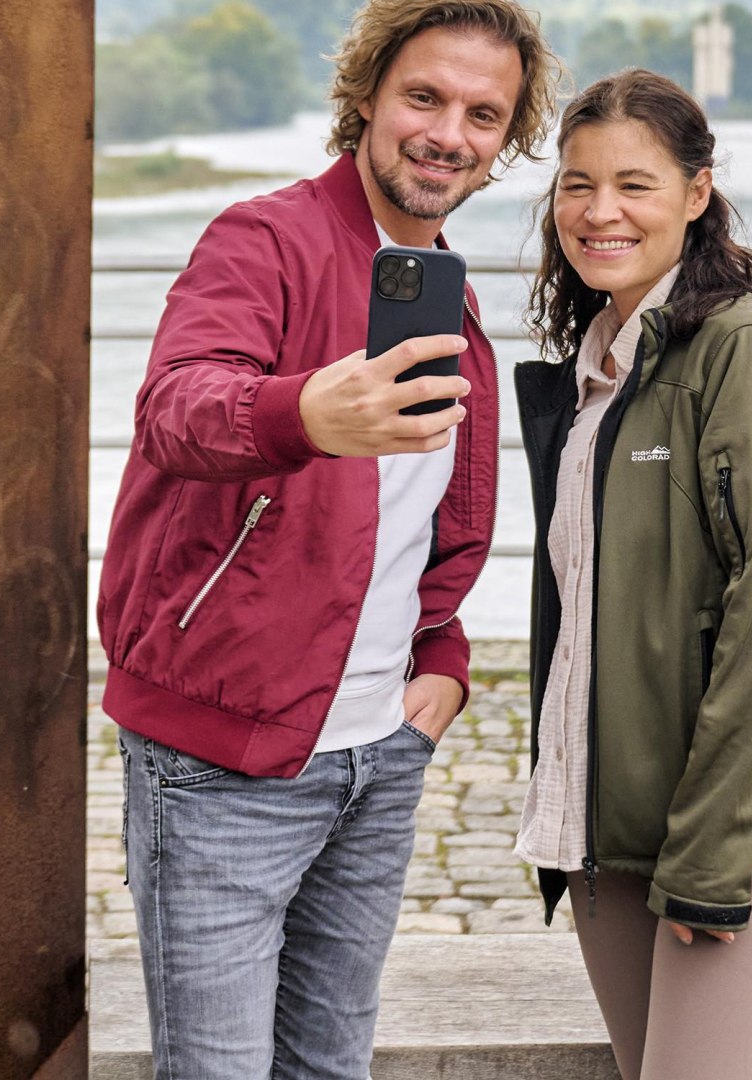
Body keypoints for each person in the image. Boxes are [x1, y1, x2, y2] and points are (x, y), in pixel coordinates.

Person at [94, 2, 562, 1076]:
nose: (449, 132)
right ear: (364, 98)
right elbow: (175, 405)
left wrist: (440, 660)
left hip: (378, 754)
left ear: (505, 141)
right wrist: (301, 415)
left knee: (330, 1069)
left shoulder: (449, 302)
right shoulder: (263, 239)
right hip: (221, 758)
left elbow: (426, 532)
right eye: (425, 97)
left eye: (484, 114)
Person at [513, 68, 752, 1080]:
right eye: (576, 185)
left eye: (634, 183)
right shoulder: (603, 368)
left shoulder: (745, 354)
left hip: (731, 838)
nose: (600, 211)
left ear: (697, 192)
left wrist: (713, 851)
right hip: (611, 832)